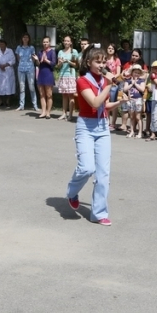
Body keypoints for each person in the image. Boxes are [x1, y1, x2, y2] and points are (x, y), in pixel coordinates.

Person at [65, 46, 127, 225]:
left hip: (102, 128)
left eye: (103, 62)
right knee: (86, 168)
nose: (101, 65)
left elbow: (103, 106)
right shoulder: (83, 81)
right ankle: (71, 191)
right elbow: (94, 102)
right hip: (86, 127)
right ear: (88, 63)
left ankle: (99, 213)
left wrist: (118, 102)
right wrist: (109, 84)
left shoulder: (102, 81)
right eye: (97, 62)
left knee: (103, 173)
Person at [57, 36, 80, 121]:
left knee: (71, 95)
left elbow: (76, 65)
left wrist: (68, 61)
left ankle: (70, 114)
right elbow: (58, 66)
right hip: (63, 75)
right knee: (64, 95)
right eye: (65, 41)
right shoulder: (60, 52)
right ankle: (63, 113)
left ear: (71, 42)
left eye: (68, 41)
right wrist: (60, 63)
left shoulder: (74, 52)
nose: (66, 42)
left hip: (71, 75)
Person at [15, 33, 39, 111]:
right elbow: (18, 58)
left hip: (30, 69)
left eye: (27, 37)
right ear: (22, 39)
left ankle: (35, 105)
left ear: (29, 39)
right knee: (22, 87)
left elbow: (33, 57)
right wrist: (22, 63)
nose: (25, 38)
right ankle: (21, 105)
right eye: (24, 37)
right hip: (21, 68)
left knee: (31, 87)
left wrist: (30, 64)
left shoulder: (31, 48)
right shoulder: (19, 48)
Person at [36, 36, 57, 119]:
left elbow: (53, 64)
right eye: (44, 42)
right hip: (41, 73)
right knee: (42, 94)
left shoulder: (52, 52)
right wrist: (36, 60)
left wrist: (46, 60)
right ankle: (43, 111)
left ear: (49, 43)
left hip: (48, 73)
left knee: (49, 94)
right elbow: (38, 64)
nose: (45, 43)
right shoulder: (40, 52)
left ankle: (48, 112)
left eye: (47, 42)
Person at [0, 39, 16, 107]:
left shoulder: (10, 51)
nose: (2, 45)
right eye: (0, 44)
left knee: (9, 86)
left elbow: (13, 60)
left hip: (8, 70)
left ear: (6, 45)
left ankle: (7, 101)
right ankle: (0, 101)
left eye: (3, 44)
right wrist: (0, 65)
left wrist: (6, 65)